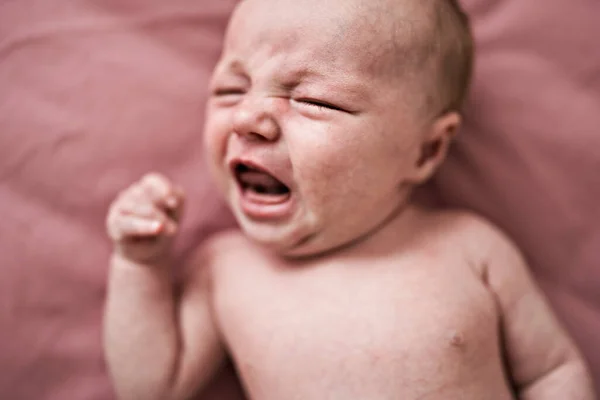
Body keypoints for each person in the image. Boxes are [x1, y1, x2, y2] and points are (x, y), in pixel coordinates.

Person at [103, 0, 595, 398]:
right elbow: (150, 385)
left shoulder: (469, 245)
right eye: (231, 89)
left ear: (426, 150)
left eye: (314, 100)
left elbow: (551, 372)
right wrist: (140, 265)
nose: (248, 116)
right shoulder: (225, 268)